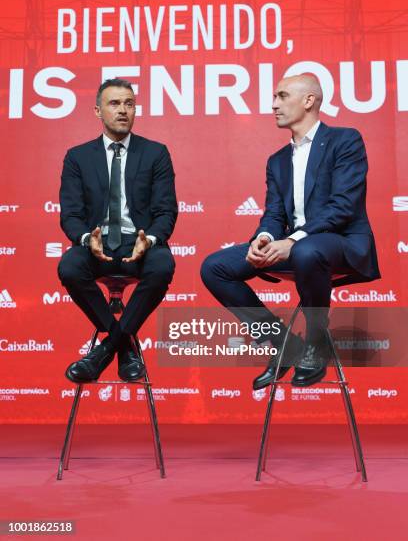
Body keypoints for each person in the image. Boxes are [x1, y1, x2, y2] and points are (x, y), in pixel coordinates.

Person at [201, 74, 380, 389]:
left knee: (306, 250)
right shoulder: (277, 161)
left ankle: (316, 339)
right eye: (275, 97)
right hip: (294, 247)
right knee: (215, 267)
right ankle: (284, 344)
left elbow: (343, 207)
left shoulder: (345, 140)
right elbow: (274, 214)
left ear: (309, 101)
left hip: (340, 243)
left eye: (282, 96)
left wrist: (293, 240)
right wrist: (266, 238)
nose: (274, 104)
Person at [58, 78, 177, 383]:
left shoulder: (155, 153)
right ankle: (123, 347)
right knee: (70, 266)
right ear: (97, 111)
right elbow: (71, 215)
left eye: (129, 103)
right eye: (114, 104)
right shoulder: (77, 157)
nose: (123, 110)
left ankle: (102, 352)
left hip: (139, 244)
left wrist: (148, 240)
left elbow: (166, 211)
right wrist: (87, 239)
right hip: (97, 244)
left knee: (163, 264)